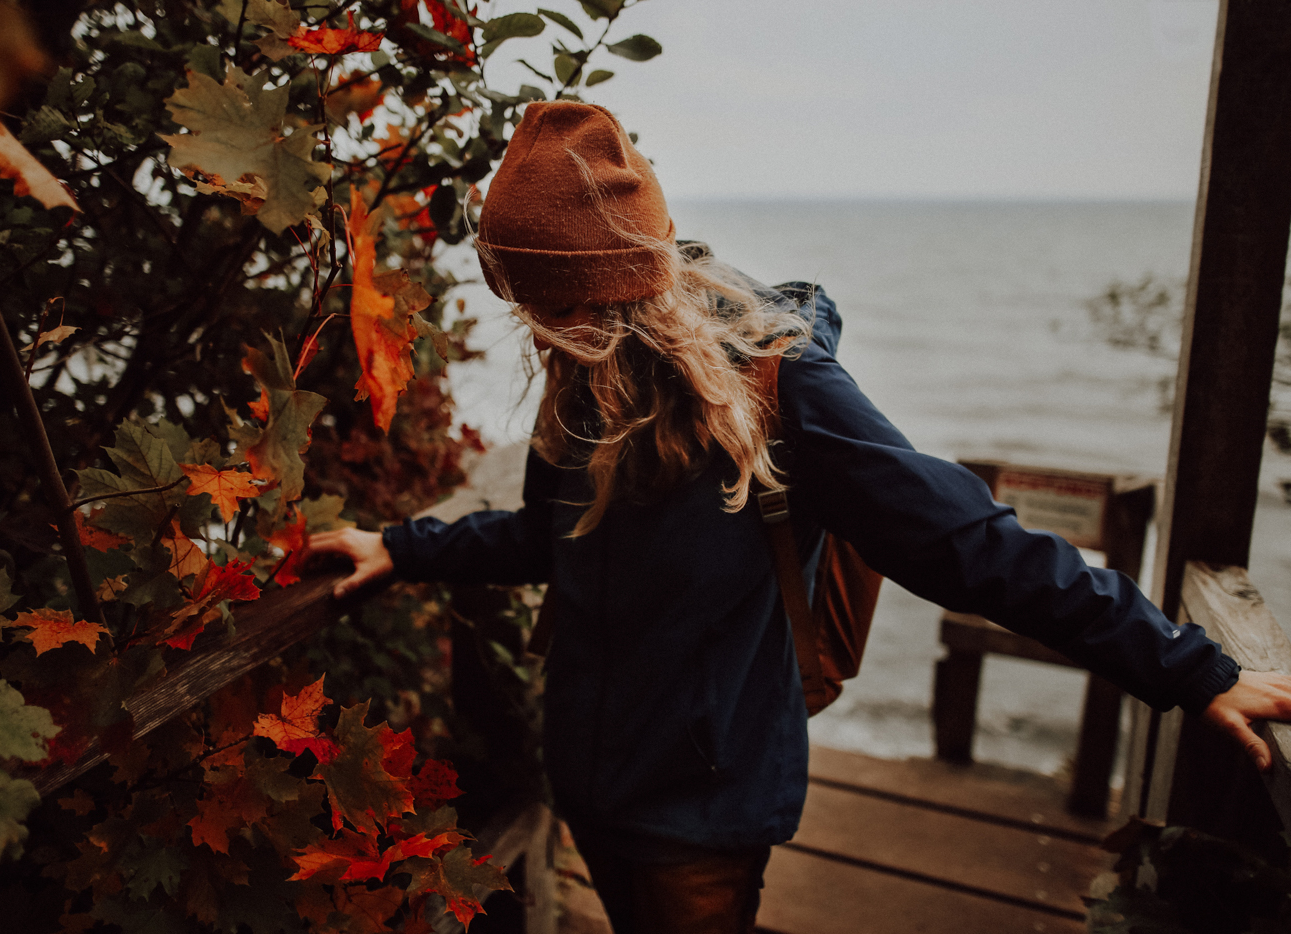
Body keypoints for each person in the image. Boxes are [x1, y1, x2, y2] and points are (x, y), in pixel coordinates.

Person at [310, 100, 1291, 934]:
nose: (543, 332)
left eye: (551, 306)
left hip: (702, 810)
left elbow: (971, 546)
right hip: (588, 780)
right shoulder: (581, 387)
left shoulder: (781, 392)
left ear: (611, 286)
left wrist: (1187, 670)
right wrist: (398, 546)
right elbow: (543, 538)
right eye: (527, 305)